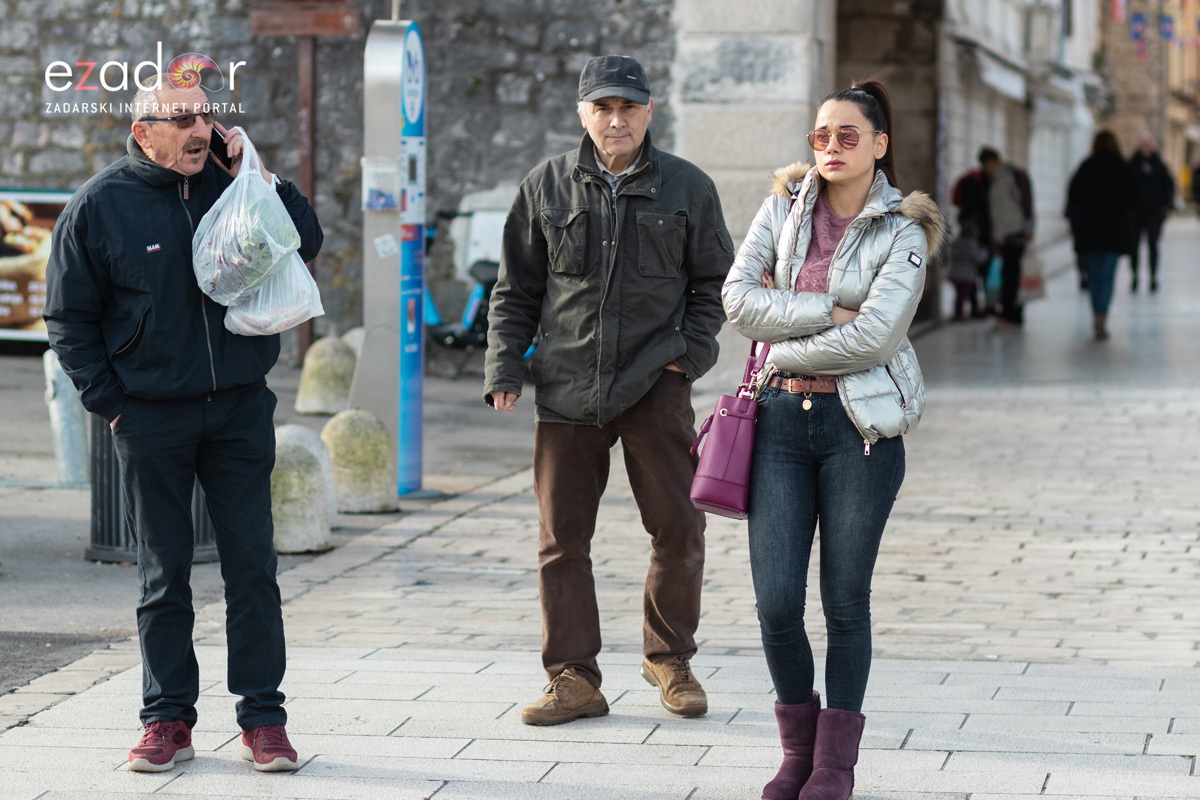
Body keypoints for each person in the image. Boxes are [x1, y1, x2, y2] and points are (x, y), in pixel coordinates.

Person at [44, 82, 322, 772]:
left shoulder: (235, 184)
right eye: (184, 119)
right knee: (163, 574)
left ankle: (263, 717)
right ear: (144, 133)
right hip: (149, 416)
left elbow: (305, 242)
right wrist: (112, 403)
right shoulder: (98, 208)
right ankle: (166, 719)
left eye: (206, 114)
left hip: (238, 408)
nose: (202, 127)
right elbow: (67, 320)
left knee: (252, 567)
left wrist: (262, 177)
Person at [483, 54, 733, 726]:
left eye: (627, 107)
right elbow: (516, 290)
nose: (615, 119)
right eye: (602, 107)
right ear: (582, 113)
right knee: (562, 540)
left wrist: (689, 355)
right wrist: (504, 368)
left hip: (656, 383)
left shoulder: (688, 188)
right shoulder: (546, 186)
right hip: (566, 387)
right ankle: (572, 679)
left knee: (679, 526)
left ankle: (670, 657)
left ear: (650, 111)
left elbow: (716, 285)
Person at [722, 79, 946, 800]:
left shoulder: (903, 230)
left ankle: (833, 767)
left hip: (862, 433)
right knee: (777, 602)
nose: (830, 148)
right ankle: (797, 752)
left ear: (879, 146)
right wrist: (824, 308)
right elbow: (736, 300)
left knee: (845, 602)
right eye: (821, 135)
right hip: (780, 426)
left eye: (847, 135)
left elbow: (876, 336)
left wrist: (781, 344)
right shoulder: (782, 208)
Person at [1066, 130, 1138, 341]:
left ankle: (1095, 313)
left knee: (1094, 276)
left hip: (1090, 232)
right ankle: (1101, 317)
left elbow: (1073, 198)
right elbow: (1134, 199)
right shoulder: (1123, 168)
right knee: (1107, 277)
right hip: (1113, 233)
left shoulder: (1086, 167)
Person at [951, 147, 1033, 324]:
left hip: (1013, 232)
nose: (987, 168)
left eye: (988, 164)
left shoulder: (1010, 176)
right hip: (998, 235)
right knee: (1004, 273)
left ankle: (1010, 314)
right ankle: (1006, 311)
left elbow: (1024, 203)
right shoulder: (986, 180)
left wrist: (1027, 229)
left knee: (1010, 273)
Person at [1128, 134, 1174, 292]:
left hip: (1154, 214)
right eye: (1143, 145)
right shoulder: (1132, 165)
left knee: (1153, 245)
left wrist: (1164, 205)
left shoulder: (1159, 165)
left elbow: (1168, 186)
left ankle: (1153, 277)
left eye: (1148, 145)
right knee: (1134, 247)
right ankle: (1134, 276)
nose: (1146, 148)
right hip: (1136, 214)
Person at [947, 220, 986, 321]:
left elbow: (949, 256)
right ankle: (959, 314)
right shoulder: (971, 244)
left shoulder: (955, 242)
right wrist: (984, 253)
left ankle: (958, 312)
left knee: (959, 295)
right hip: (966, 274)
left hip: (955, 272)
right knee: (963, 295)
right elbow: (977, 258)